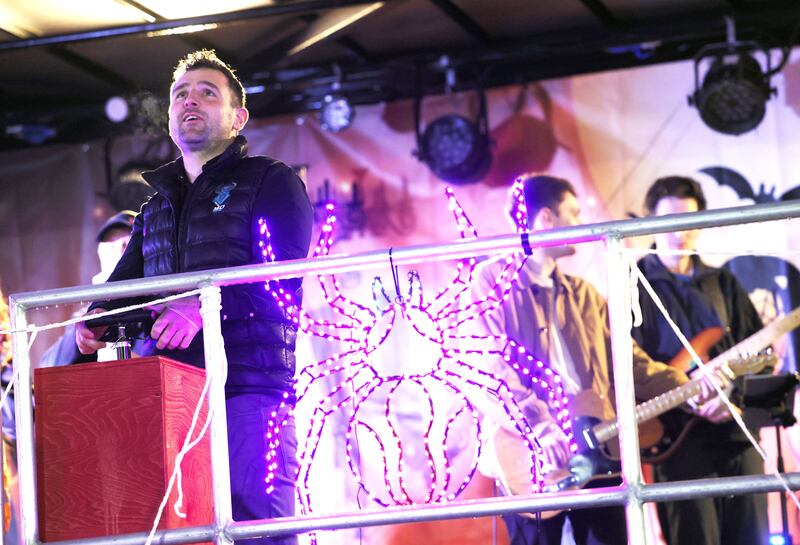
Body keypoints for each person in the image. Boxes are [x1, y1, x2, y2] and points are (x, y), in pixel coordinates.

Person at [75, 50, 313, 544]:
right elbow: (121, 290)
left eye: (208, 93)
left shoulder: (271, 181)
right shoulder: (154, 208)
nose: (191, 101)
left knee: (260, 532)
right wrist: (94, 320)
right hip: (169, 397)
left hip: (250, 392)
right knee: (178, 535)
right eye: (181, 94)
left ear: (237, 116)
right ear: (168, 117)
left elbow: (283, 281)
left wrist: (204, 305)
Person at [471, 174, 690, 545]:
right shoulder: (490, 282)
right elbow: (488, 368)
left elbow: (632, 364)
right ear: (545, 219)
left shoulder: (586, 295)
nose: (581, 223)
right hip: (532, 455)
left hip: (599, 449)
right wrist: (538, 425)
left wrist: (691, 386)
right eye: (573, 213)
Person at [631, 176, 769, 545]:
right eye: (670, 220)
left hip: (736, 433)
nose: (681, 232)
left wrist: (733, 394)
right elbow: (627, 367)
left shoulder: (723, 282)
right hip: (676, 440)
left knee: (752, 536)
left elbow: (760, 357)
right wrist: (684, 390)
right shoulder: (633, 284)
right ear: (649, 221)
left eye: (690, 220)